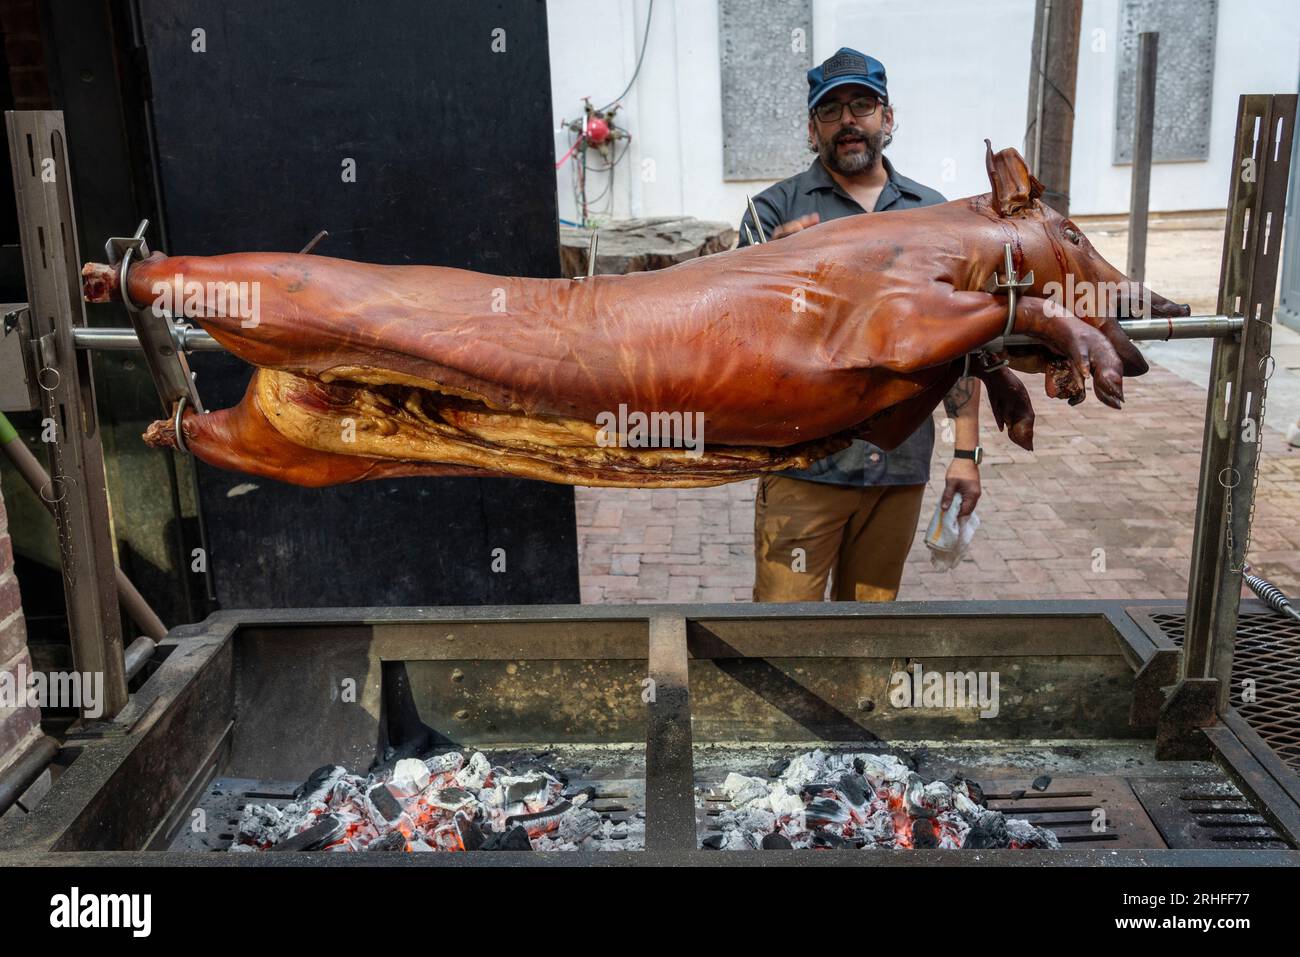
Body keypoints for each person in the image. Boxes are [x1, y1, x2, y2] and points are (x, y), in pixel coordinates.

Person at [740, 47, 983, 603]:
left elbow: (961, 349)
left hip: (899, 472)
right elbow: (746, 345)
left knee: (869, 631)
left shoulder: (932, 213)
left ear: (887, 118)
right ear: (812, 128)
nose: (848, 121)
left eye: (863, 105)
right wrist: (772, 276)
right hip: (805, 468)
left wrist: (965, 456)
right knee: (782, 632)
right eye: (832, 110)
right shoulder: (770, 214)